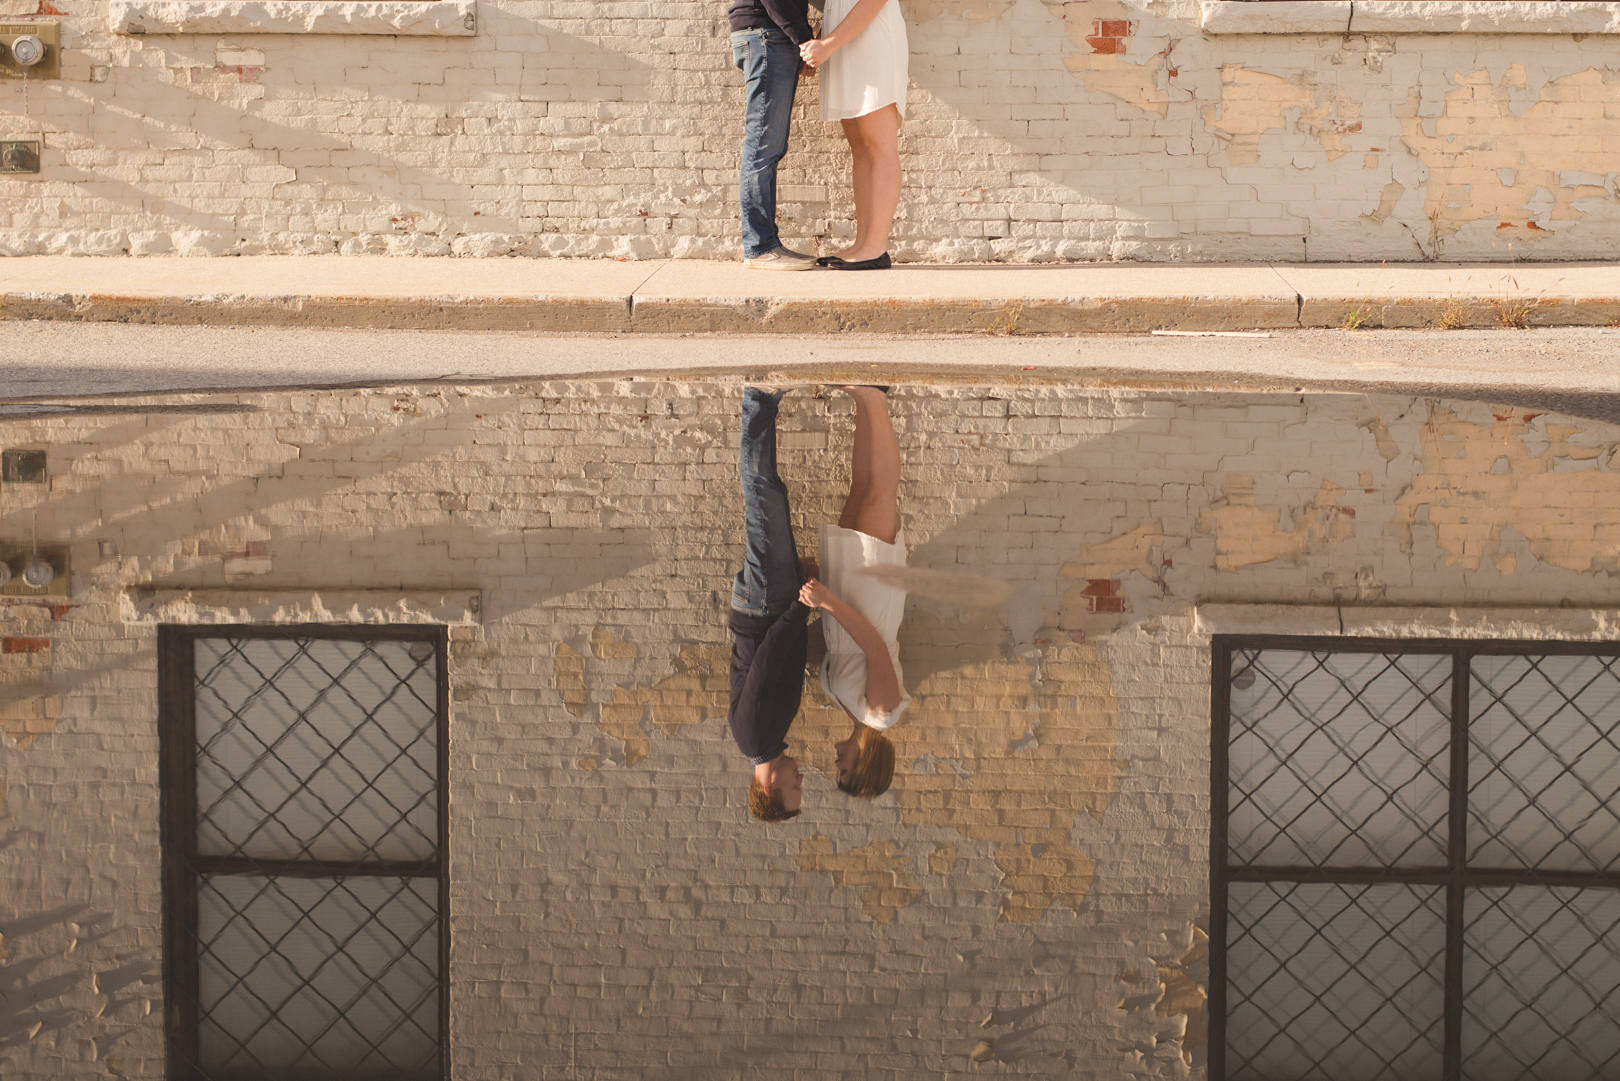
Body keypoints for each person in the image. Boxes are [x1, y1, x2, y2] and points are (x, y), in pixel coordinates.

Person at [798, 386, 907, 798]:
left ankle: (863, 400)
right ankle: (876, 400)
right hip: (870, 602)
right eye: (844, 773)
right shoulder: (882, 714)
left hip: (846, 603)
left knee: (859, 490)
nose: (836, 766)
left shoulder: (853, 712)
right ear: (864, 767)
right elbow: (875, 648)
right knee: (880, 493)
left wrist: (825, 592)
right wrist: (827, 601)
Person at [728, 387, 814, 822]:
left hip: (765, 606)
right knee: (770, 498)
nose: (801, 779)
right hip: (771, 603)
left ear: (768, 787)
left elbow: (767, 660)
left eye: (793, 787)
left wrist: (802, 605)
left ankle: (758, 398)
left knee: (763, 496)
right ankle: (761, 403)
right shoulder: (767, 737)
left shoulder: (754, 736)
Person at [798, 0, 909, 271]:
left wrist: (827, 44)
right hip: (845, 42)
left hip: (874, 41)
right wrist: (820, 43)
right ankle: (863, 243)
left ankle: (876, 247)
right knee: (860, 149)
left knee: (880, 146)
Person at [730, 0, 819, 270]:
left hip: (771, 35)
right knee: (762, 147)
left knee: (769, 147)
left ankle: (766, 244)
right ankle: (759, 247)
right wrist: (804, 41)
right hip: (767, 36)